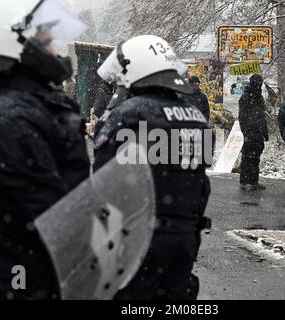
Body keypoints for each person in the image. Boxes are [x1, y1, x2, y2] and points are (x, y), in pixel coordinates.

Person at [0, 0, 90, 300]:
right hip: (18, 276)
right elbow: (51, 211)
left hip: (35, 270)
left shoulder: (39, 104)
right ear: (10, 42)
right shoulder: (4, 116)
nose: (54, 49)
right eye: (45, 41)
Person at [93, 35, 211, 300]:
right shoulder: (194, 116)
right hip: (184, 239)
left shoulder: (129, 114)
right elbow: (201, 184)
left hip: (139, 241)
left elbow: (104, 186)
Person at [239, 74, 269, 192]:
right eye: (258, 83)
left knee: (256, 158)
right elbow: (242, 117)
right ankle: (245, 181)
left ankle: (254, 181)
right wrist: (246, 132)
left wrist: (265, 133)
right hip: (250, 131)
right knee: (248, 157)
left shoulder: (259, 97)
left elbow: (262, 117)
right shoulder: (246, 97)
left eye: (260, 82)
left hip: (258, 132)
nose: (259, 85)